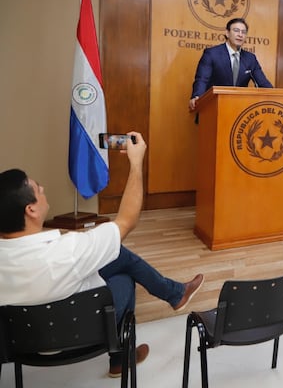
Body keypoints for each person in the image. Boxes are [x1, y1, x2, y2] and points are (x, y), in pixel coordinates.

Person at [0, 132, 204, 378]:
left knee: (116, 256)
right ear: (31, 209)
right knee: (124, 275)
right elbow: (127, 221)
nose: (42, 188)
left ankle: (175, 293)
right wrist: (136, 163)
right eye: (36, 187)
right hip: (80, 332)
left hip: (22, 341)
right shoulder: (68, 252)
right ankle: (121, 357)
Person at [189, 17, 272, 111]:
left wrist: (275, 97)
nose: (240, 35)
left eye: (243, 32)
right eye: (236, 31)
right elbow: (202, 79)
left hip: (239, 110)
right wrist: (197, 96)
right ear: (227, 33)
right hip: (214, 108)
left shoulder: (250, 58)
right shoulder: (212, 53)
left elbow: (263, 83)